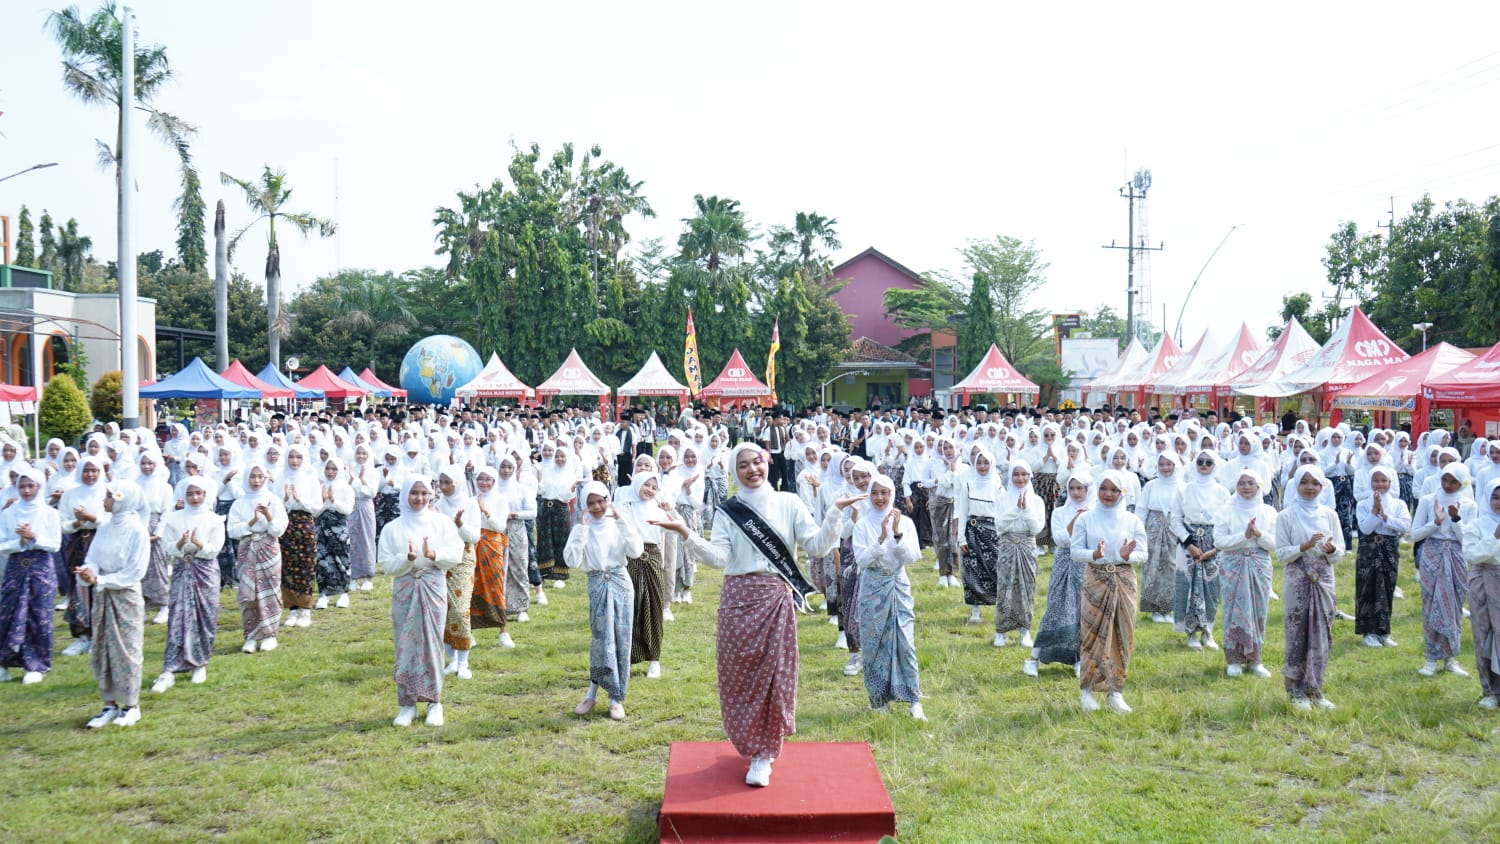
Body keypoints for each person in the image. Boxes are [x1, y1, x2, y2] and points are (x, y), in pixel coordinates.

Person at [659, 442, 847, 787]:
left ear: (767, 461)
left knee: (775, 676)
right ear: (734, 471)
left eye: (756, 462)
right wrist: (686, 534)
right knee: (739, 676)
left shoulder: (788, 502)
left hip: (775, 598)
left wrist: (834, 512)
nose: (751, 469)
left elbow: (817, 546)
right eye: (742, 465)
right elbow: (719, 558)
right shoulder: (728, 511)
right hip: (737, 598)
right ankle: (748, 741)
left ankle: (765, 753)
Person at [379, 477, 463, 727]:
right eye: (414, 493)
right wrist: (408, 558)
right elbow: (387, 564)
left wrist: (433, 555)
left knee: (431, 641)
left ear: (430, 495)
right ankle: (407, 704)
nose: (418, 498)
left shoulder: (441, 523)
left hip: (433, 584)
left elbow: (456, 553)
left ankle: (434, 702)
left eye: (424, 493)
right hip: (405, 587)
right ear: (405, 494)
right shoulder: (393, 528)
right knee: (405, 641)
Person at [1069, 470, 1148, 713]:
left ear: (1122, 492)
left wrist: (1127, 556)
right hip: (1096, 578)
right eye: (1104, 488)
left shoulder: (1132, 520)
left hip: (1124, 579)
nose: (1108, 494)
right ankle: (1086, 691)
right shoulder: (1086, 519)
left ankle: (1116, 692)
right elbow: (1075, 552)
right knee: (1091, 634)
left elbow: (1143, 554)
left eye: (1114, 490)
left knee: (1122, 634)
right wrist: (1094, 554)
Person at [567, 482, 644, 720]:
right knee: (601, 639)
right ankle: (592, 692)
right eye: (590, 503)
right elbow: (571, 560)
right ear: (584, 506)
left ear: (608, 499)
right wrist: (582, 529)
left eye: (601, 500)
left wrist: (621, 520)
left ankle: (616, 697)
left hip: (620, 582)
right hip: (597, 583)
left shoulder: (617, 524)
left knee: (621, 639)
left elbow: (636, 551)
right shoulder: (582, 528)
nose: (597, 507)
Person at [79, 481, 151, 728]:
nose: (105, 500)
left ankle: (131, 705)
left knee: (127, 649)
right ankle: (108, 703)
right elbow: (93, 558)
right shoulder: (106, 527)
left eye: (110, 496)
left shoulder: (137, 531)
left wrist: (101, 579)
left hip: (125, 596)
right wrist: (89, 571)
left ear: (123, 500)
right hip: (103, 595)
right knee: (103, 647)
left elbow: (134, 572)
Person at [853, 473, 925, 720]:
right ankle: (878, 699)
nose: (880, 498)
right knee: (874, 644)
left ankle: (913, 699)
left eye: (884, 492)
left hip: (897, 584)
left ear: (892, 494)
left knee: (906, 642)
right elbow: (862, 561)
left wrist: (896, 533)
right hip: (872, 587)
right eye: (875, 493)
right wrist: (881, 538)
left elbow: (913, 557)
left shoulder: (904, 522)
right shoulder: (862, 525)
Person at [1276, 465, 1346, 710]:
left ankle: (1315, 688)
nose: (1309, 487)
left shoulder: (1329, 515)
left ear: (1322, 487)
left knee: (1321, 632)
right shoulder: (1287, 515)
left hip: (1324, 577)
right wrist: (1303, 547)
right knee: (1297, 631)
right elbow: (1281, 554)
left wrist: (1332, 550)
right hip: (1298, 575)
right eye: (1304, 482)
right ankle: (1294, 690)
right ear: (1296, 485)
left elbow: (1341, 551)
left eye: (1314, 483)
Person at [150, 476, 226, 693]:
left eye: (198, 493)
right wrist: (181, 544)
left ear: (205, 494)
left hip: (206, 571)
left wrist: (200, 544)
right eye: (190, 493)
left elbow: (215, 549)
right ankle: (170, 667)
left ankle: (199, 663)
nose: (194, 497)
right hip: (183, 569)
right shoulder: (174, 519)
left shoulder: (213, 520)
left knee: (205, 616)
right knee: (178, 617)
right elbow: (167, 546)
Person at [1410, 463, 1476, 678]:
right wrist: (1435, 522)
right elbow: (1415, 534)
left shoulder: (1469, 505)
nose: (1448, 485)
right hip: (1432, 553)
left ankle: (1450, 658)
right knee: (1430, 604)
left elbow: (1468, 540)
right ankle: (1431, 657)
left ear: (1462, 482)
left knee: (1453, 606)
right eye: (1444, 480)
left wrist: (1456, 519)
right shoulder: (1429, 500)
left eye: (1453, 481)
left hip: (1456, 556)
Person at [1026, 472, 1092, 677]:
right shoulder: (1060, 512)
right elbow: (1061, 539)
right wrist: (1076, 519)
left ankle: (1078, 659)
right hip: (1064, 563)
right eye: (1072, 488)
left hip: (1086, 564)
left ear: (1088, 490)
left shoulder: (1096, 512)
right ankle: (1033, 658)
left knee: (1082, 611)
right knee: (1055, 608)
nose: (1076, 492)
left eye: (1080, 488)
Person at [1214, 469, 1277, 678]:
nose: (1246, 487)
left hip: (1259, 564)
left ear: (1259, 486)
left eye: (1251, 483)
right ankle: (1233, 659)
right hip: (1232, 564)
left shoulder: (1268, 512)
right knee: (1234, 610)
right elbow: (1220, 541)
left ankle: (1255, 660)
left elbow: (1276, 543)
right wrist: (1244, 536)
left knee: (1259, 611)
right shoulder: (1226, 510)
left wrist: (1258, 534)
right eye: (1242, 483)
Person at [0, 469, 62, 685]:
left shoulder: (49, 513)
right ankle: (5, 661)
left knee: (38, 615)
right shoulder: (9, 513)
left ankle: (36, 664)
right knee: (9, 613)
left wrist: (34, 538)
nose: (26, 491)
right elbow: (2, 543)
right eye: (22, 486)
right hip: (16, 566)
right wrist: (20, 542)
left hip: (41, 567)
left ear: (39, 487)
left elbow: (55, 545)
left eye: (31, 486)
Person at [227, 465, 289, 654]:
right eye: (252, 477)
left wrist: (268, 515)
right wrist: (252, 522)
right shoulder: (239, 502)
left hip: (268, 549)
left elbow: (279, 529)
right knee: (249, 592)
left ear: (265, 478)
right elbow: (232, 530)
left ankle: (269, 634)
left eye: (259, 477)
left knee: (269, 590)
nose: (256, 481)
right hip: (247, 550)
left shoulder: (274, 500)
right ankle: (252, 635)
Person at [1172, 450, 1229, 650]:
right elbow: (1175, 519)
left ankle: (1208, 632)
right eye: (1200, 462)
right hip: (1188, 544)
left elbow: (1226, 521)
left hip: (1213, 545)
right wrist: (1189, 544)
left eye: (1209, 462)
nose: (1204, 465)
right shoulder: (1185, 490)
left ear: (1215, 465)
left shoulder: (1222, 492)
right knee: (1187, 588)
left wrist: (1214, 548)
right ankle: (1191, 633)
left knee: (1211, 590)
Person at [618, 470, 669, 680]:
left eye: (654, 487)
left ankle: (654, 659)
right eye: (646, 485)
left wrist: (670, 510)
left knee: (654, 606)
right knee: (630, 607)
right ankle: (629, 657)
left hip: (653, 557)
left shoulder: (659, 509)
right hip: (630, 558)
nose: (649, 490)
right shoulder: (624, 508)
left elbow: (677, 529)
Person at [1354, 466, 1411, 648]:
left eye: (1384, 480)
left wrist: (1385, 515)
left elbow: (1404, 525)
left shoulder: (1398, 504)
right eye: (1376, 480)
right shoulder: (1363, 504)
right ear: (1370, 482)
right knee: (1367, 587)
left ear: (1390, 482)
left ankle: (1383, 631)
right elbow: (1365, 528)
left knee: (1387, 587)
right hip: (1368, 548)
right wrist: (1374, 512)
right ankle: (1368, 632)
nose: (1380, 484)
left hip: (1389, 549)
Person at [434, 466, 481, 679]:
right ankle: (451, 659)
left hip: (463, 557)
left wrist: (460, 525)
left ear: (458, 482)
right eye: (441, 482)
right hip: (442, 558)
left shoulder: (469, 503)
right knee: (443, 608)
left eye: (448, 482)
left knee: (461, 608)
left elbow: (474, 536)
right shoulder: (437, 505)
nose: (444, 487)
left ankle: (464, 662)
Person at [994, 460, 1044, 648]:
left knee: (1027, 587)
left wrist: (1026, 510)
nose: (1020, 478)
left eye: (1024, 474)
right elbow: (1000, 526)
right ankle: (1001, 630)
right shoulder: (1002, 498)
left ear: (1030, 476)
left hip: (1027, 545)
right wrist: (1016, 509)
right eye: (1016, 474)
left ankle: (1025, 630)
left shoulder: (1037, 501)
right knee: (1004, 587)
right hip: (1007, 544)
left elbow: (1037, 528)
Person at [1460, 477, 1500, 709]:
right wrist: (1495, 538)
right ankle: (1490, 690)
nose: (1498, 502)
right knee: (1484, 634)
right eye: (1495, 497)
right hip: (1484, 581)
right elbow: (1473, 555)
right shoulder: (1477, 524)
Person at [279, 445, 325, 629]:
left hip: (305, 523)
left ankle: (305, 609)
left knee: (305, 566)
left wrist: (300, 500)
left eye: (298, 457)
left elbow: (317, 507)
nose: (295, 461)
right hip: (285, 524)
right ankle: (291, 609)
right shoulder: (280, 479)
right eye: (291, 457)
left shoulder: (310, 480)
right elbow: (273, 504)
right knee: (287, 566)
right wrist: (285, 498)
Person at [956, 446, 1002, 626]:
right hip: (972, 532)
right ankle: (975, 610)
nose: (982, 466)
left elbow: (1001, 513)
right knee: (971, 571)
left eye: (986, 463)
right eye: (979, 463)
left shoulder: (997, 486)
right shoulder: (968, 485)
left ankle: (998, 606)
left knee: (995, 570)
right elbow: (963, 511)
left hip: (992, 534)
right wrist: (961, 538)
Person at [1137, 453, 1184, 624]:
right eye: (1162, 464)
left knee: (1172, 566)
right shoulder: (1151, 485)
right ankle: (1153, 607)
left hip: (1174, 527)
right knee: (1152, 566)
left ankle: (1167, 607)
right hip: (1154, 526)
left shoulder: (1182, 486)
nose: (1165, 468)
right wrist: (1139, 531)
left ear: (1176, 465)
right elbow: (1141, 509)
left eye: (1169, 464)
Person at [314, 458, 355, 610]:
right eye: (328, 468)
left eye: (334, 469)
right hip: (321, 527)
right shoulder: (320, 486)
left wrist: (333, 500)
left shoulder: (346, 488)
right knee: (322, 560)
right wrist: (325, 502)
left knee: (342, 559)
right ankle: (323, 594)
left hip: (339, 529)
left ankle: (344, 593)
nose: (330, 472)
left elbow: (347, 509)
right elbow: (315, 511)